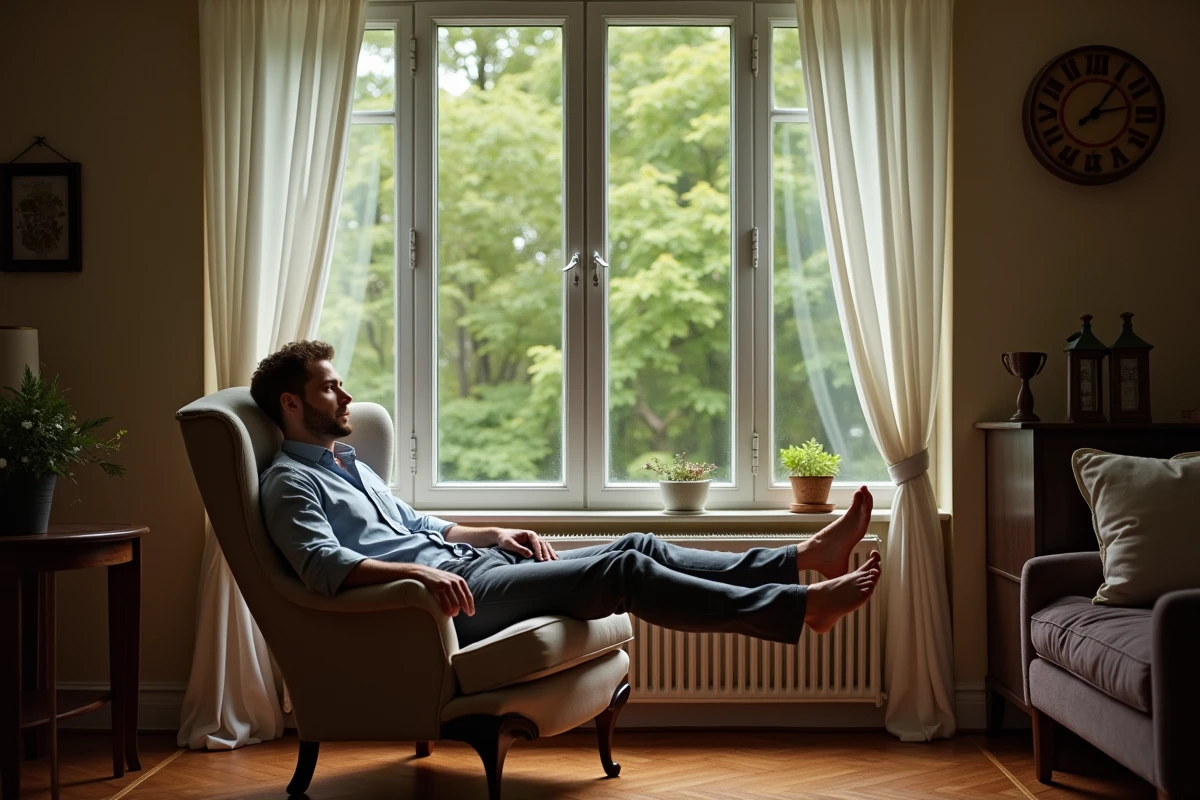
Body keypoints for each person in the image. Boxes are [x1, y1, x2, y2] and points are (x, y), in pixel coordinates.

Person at [252, 341, 881, 647]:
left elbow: (426, 525)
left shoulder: (348, 464)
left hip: (475, 567)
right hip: (446, 600)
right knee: (626, 570)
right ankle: (798, 608)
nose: (347, 397)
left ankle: (800, 559)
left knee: (639, 540)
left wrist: (492, 534)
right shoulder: (290, 484)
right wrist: (418, 575)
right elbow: (324, 567)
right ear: (292, 402)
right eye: (332, 388)